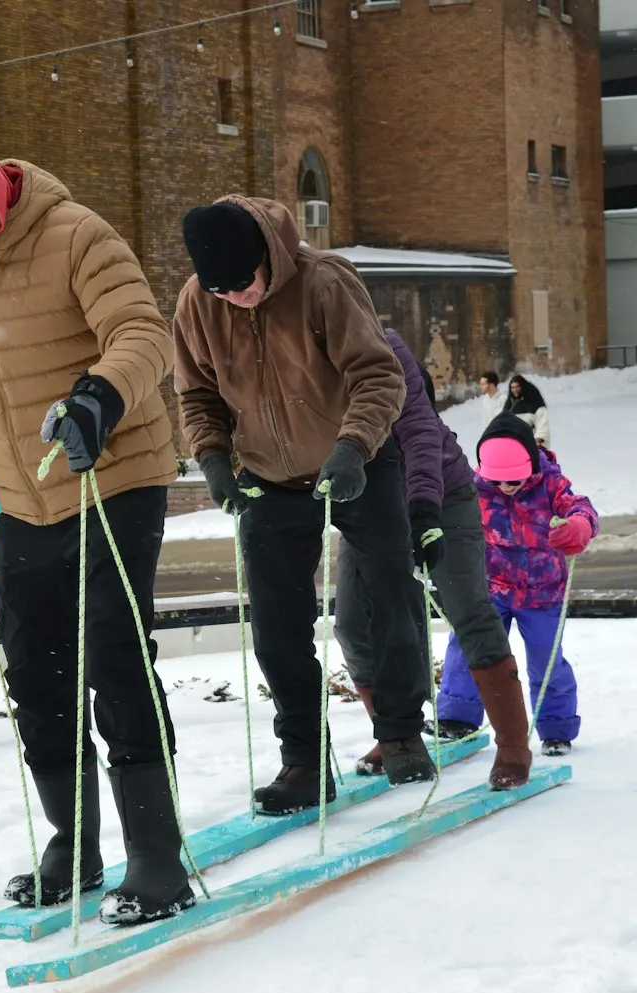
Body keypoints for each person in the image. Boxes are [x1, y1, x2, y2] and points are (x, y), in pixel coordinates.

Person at [0, 119, 193, 925]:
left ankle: (157, 857)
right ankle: (75, 843)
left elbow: (143, 334)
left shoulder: (75, 235)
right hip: (24, 496)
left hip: (115, 475)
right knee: (34, 673)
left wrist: (97, 397)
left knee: (115, 658)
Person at [174, 196, 436, 814]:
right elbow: (197, 396)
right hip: (268, 476)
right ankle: (303, 761)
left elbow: (378, 375)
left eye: (245, 283)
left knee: (390, 596)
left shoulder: (324, 281)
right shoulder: (197, 302)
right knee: (277, 626)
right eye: (222, 290)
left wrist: (352, 447)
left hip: (360, 461)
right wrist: (212, 461)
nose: (236, 297)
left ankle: (400, 731)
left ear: (267, 257)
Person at [334, 331, 533, 790]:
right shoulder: (298, 359)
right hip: (371, 505)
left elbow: (422, 439)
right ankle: (396, 734)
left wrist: (424, 509)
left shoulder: (379, 348)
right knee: (351, 622)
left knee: (468, 609)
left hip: (440, 494)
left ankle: (513, 744)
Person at [436, 413, 596, 756]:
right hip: (491, 588)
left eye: (514, 481)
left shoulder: (550, 484)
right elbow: (448, 517)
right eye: (499, 481)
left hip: (544, 593)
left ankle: (555, 727)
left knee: (546, 659)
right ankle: (456, 718)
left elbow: (580, 508)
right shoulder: (472, 489)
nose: (506, 488)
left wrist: (579, 525)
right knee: (467, 648)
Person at [503, 373, 551, 447]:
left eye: (517, 387)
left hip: (530, 446)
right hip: (512, 446)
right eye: (512, 387)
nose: (515, 390)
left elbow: (542, 426)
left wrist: (539, 441)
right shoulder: (509, 405)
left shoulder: (535, 404)